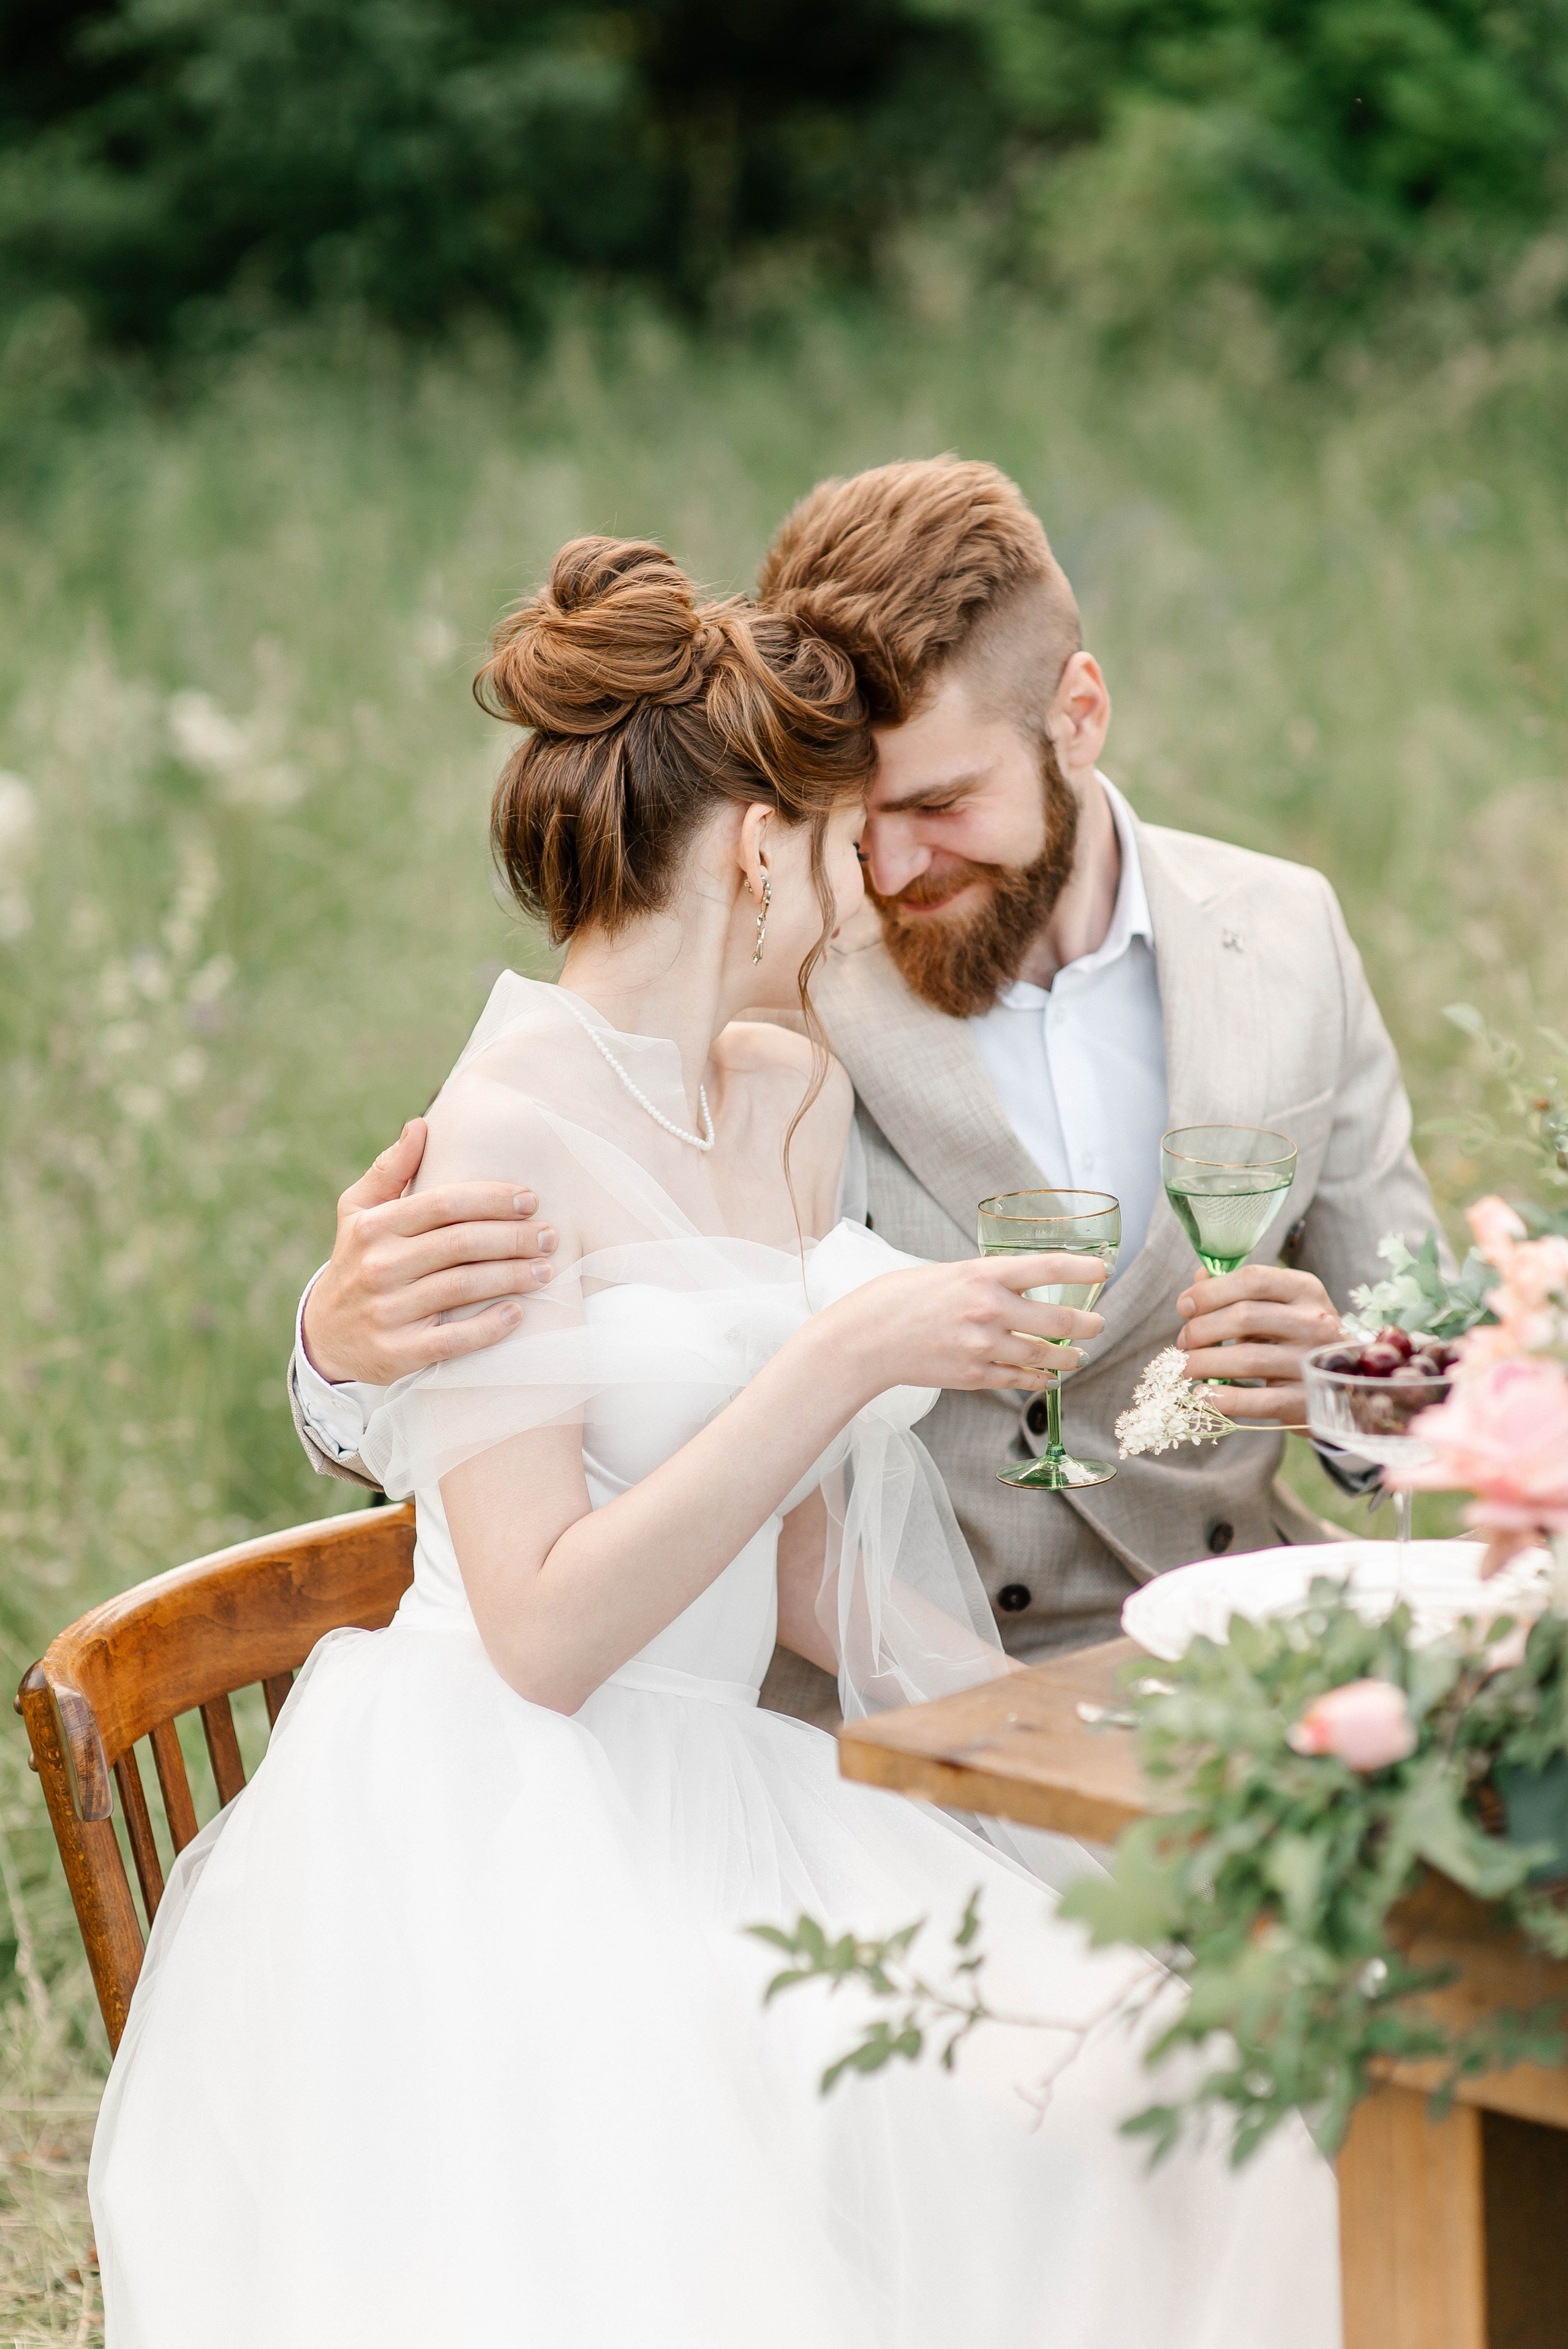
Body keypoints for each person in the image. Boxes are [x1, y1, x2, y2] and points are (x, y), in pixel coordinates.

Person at [90, 541, 1339, 2348]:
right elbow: (539, 1631)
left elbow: (805, 1555)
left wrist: (1035, 1745)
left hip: (741, 1777)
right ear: (760, 848)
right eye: (839, 844)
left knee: (1164, 2057)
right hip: (521, 1817)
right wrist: (836, 1357)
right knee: (938, 2122)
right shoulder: (501, 1132)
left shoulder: (784, 1090)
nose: (872, 888)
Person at [288, 459, 1435, 1723]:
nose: (885, 870)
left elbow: (1459, 1361)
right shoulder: (758, 972)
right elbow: (540, 1322)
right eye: (856, 818)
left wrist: (1348, 1379)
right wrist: (336, 1352)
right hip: (873, 1710)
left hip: (1231, 1643)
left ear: (1077, 714)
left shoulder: (1285, 937)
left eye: (940, 803)